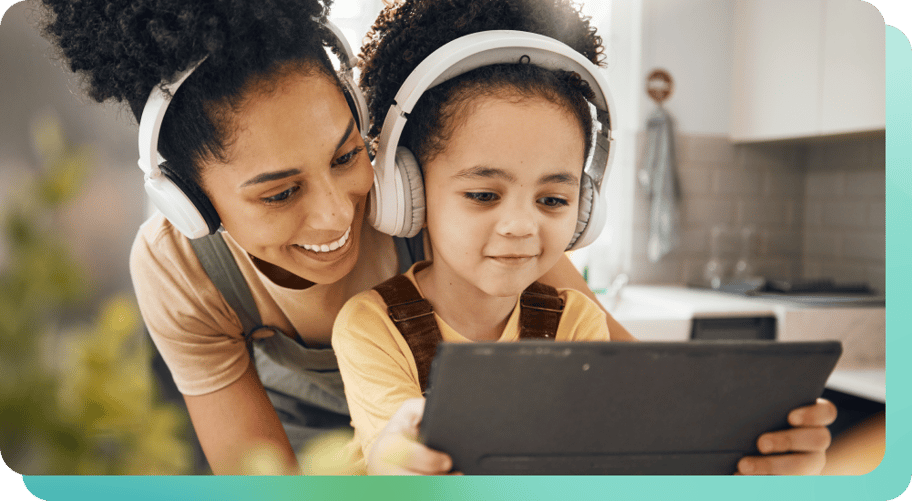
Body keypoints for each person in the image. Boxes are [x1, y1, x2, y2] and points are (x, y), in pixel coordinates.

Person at [36, 0, 834, 476]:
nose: (335, 214)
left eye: (348, 155)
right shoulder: (182, 271)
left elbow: (637, 393)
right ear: (187, 202)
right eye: (278, 192)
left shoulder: (459, 209)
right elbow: (266, 478)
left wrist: (744, 446)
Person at [335, 0, 836, 476]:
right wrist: (396, 454)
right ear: (411, 194)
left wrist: (744, 451)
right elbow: (389, 457)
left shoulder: (576, 320)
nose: (521, 225)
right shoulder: (371, 325)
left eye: (552, 200)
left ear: (584, 208)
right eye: (484, 195)